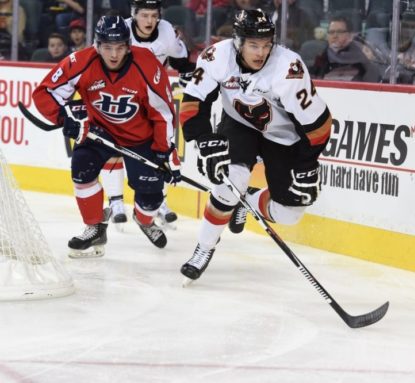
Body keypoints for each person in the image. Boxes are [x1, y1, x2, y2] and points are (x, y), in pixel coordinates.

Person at [179, 8, 332, 281]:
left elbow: (319, 126)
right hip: (239, 124)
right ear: (238, 42)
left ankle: (245, 200)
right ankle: (203, 248)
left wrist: (307, 164)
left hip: (283, 136)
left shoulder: (288, 68)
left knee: (290, 213)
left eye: (266, 44)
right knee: (230, 179)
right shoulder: (216, 57)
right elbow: (192, 104)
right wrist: (203, 139)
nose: (261, 52)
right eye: (253, 45)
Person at [32, 15, 179, 257]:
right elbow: (45, 92)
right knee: (81, 169)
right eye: (107, 47)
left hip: (140, 137)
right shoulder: (81, 61)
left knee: (151, 197)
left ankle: (144, 220)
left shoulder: (147, 65)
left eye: (120, 47)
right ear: (97, 45)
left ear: (128, 46)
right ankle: (95, 227)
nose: (114, 54)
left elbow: (162, 113)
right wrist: (64, 117)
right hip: (98, 131)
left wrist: (164, 149)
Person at [100, 0, 195, 230]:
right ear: (134, 15)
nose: (150, 21)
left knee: (160, 150)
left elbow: (182, 60)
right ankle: (115, 201)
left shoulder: (166, 31)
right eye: (144, 15)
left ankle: (157, 201)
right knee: (114, 146)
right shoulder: (119, 30)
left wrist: (187, 75)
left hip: (153, 99)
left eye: (154, 15)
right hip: (122, 96)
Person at [309, 14, 380, 82]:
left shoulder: (362, 57)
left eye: (339, 32)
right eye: (331, 32)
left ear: (350, 36)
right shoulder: (322, 57)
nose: (335, 36)